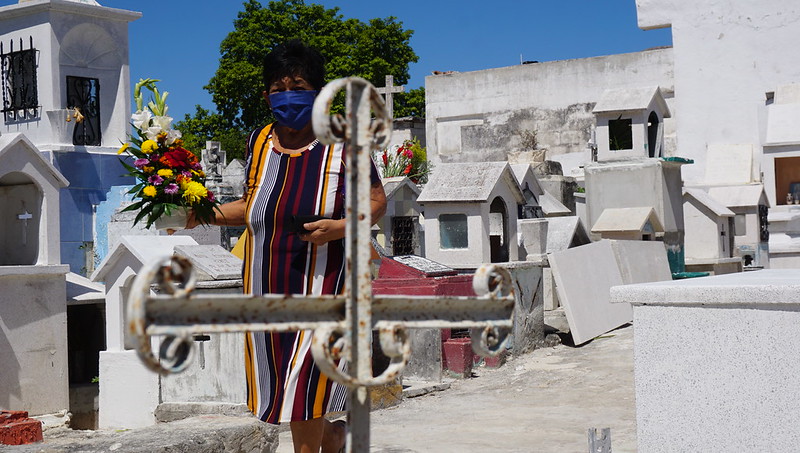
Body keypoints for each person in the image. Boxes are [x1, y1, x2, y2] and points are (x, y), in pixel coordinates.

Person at [187, 40, 387, 453]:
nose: (286, 95)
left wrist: (340, 227)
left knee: (305, 375)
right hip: (265, 286)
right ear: (265, 95)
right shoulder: (259, 141)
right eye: (277, 88)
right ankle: (331, 435)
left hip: (325, 284)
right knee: (287, 388)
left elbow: (376, 200)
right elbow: (254, 205)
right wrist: (200, 213)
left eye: (297, 85)